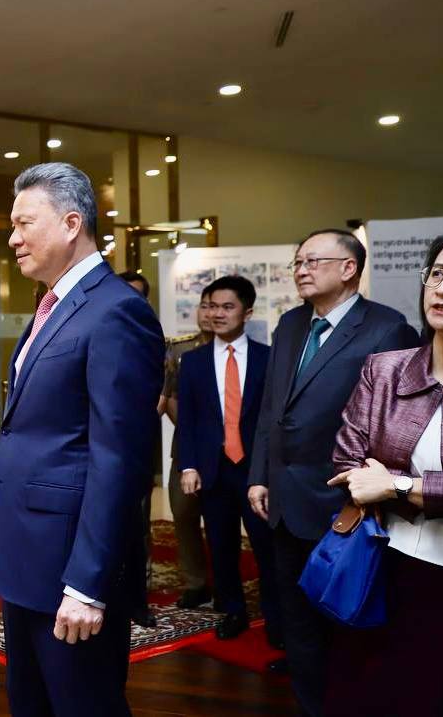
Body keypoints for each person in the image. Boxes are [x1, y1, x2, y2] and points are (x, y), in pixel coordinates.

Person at [0, 163, 164, 716]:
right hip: (30, 557)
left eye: (24, 223)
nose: (13, 239)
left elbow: (119, 459)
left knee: (84, 704)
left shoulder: (116, 310)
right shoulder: (54, 303)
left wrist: (87, 584)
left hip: (71, 568)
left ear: (70, 224)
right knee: (31, 703)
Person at [246, 228, 419, 714]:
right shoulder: (290, 324)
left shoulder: (386, 328)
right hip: (284, 500)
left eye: (312, 261)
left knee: (348, 621)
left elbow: (398, 422)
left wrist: (376, 487)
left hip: (345, 504)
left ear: (348, 268)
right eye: (297, 262)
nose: (301, 270)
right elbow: (270, 408)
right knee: (298, 623)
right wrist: (259, 473)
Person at [324, 226, 443, 716]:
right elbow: (348, 463)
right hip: (384, 564)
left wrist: (397, 485)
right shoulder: (384, 370)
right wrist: (390, 487)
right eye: (438, 273)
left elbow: (378, 480)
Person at [176, 276, 281, 643]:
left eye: (227, 307)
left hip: (256, 471)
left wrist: (269, 469)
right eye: (211, 306)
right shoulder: (193, 362)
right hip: (214, 469)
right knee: (221, 547)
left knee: (267, 548)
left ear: (247, 312)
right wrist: (188, 465)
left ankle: (276, 620)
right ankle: (232, 611)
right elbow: (187, 420)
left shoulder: (269, 358)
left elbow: (274, 418)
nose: (217, 314)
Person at [162, 291, 215, 609]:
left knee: (221, 517)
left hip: (227, 449)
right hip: (186, 447)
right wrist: (192, 430)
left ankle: (226, 581)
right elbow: (168, 396)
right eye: (204, 306)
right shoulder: (179, 349)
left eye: (217, 307)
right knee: (183, 515)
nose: (209, 313)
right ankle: (196, 583)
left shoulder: (240, 351)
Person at [119, 270, 158, 629]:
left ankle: (137, 599)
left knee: (136, 528)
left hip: (135, 450)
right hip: (97, 451)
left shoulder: (148, 336)